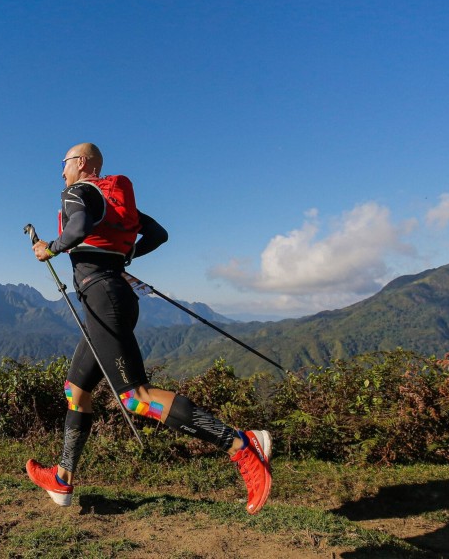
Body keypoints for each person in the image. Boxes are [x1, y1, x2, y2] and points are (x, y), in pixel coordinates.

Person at [26, 142, 273, 514]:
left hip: (103, 300)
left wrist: (52, 249)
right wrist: (123, 257)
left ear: (80, 163)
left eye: (63, 164)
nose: (61, 172)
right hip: (112, 297)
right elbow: (158, 234)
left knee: (135, 396)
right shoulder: (111, 200)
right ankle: (62, 477)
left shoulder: (76, 192)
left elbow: (76, 228)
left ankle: (242, 445)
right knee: (76, 388)